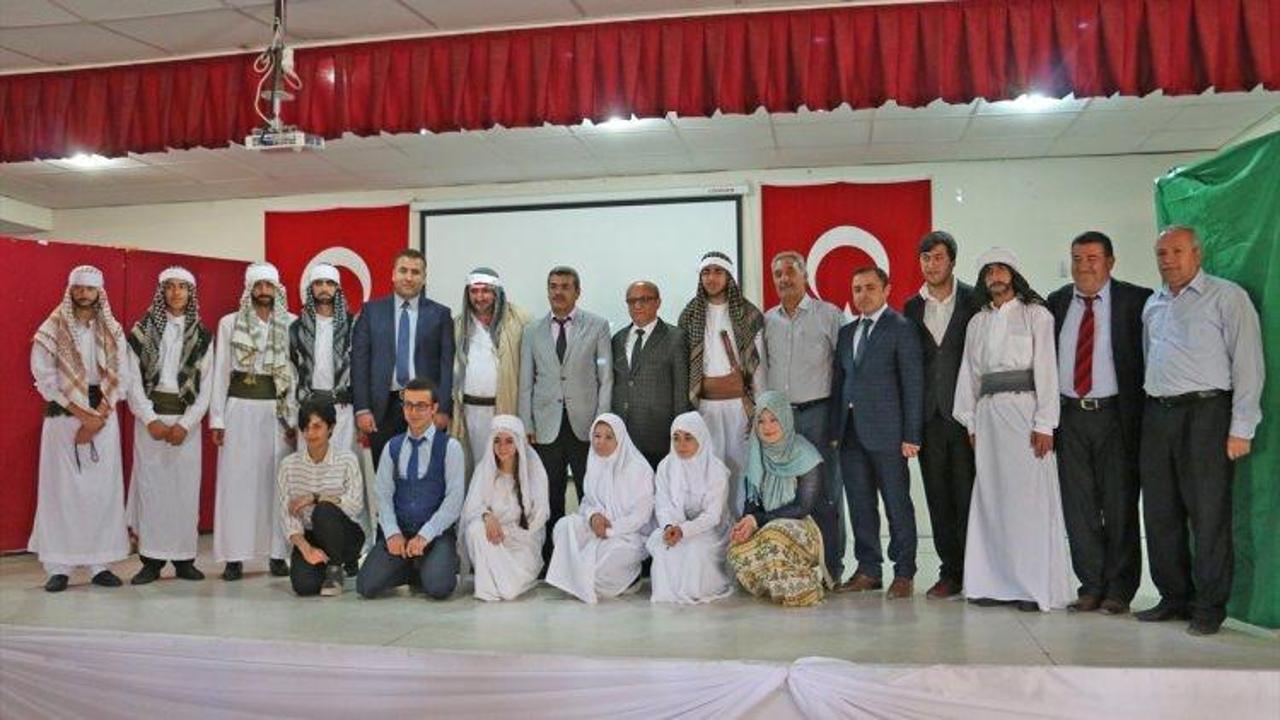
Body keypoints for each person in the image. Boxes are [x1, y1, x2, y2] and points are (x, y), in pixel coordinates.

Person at [1137, 225, 1264, 636]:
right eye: (1161, 253)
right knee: (1160, 512)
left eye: (1176, 251)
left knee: (1208, 514)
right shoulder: (1153, 304)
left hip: (1206, 414)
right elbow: (1149, 358)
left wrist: (1241, 427)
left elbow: (1248, 364)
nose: (1168, 260)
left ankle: (1209, 606)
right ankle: (1174, 597)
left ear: (1197, 254)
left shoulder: (1227, 297)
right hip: (1158, 414)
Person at [953, 248, 1073, 612]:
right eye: (989, 271)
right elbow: (969, 373)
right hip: (988, 416)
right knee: (992, 499)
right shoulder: (977, 322)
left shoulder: (1037, 315)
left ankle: (1031, 587)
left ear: (1014, 274)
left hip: (1026, 414)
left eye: (1001, 269)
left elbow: (1047, 369)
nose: (995, 276)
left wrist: (1045, 423)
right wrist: (970, 421)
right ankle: (992, 583)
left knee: (1027, 502)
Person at [1046, 231, 1151, 615]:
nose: (1084, 266)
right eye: (1077, 259)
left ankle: (1119, 589)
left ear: (1110, 262)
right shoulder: (1057, 302)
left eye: (1092, 258)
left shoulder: (1137, 301)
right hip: (1070, 418)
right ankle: (1090, 585)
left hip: (1116, 418)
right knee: (1079, 508)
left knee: (1120, 505)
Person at [29, 265, 130, 592]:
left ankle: (101, 565)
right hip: (64, 414)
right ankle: (59, 567)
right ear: (70, 290)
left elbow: (122, 377)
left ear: (100, 293)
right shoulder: (51, 328)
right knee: (62, 492)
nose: (84, 294)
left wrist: (98, 416)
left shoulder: (113, 329)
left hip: (103, 413)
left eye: (90, 289)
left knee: (102, 491)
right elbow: (44, 379)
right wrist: (82, 415)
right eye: (79, 288)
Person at [830, 266, 923, 598]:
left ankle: (904, 572)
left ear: (886, 290)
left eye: (870, 287)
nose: (863, 294)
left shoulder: (901, 328)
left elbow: (913, 385)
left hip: (890, 435)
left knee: (897, 504)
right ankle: (868, 570)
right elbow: (840, 384)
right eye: (857, 289)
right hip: (850, 433)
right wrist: (835, 430)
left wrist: (912, 435)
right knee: (860, 504)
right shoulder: (846, 333)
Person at [124, 266, 214, 585]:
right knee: (152, 492)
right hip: (150, 422)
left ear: (191, 294)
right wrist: (150, 419)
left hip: (186, 425)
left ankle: (184, 559)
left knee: (184, 493)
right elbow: (132, 380)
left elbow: (207, 387)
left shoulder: (202, 336)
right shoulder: (142, 331)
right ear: (161, 292)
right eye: (170, 287)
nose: (176, 293)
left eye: (182, 287)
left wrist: (186, 424)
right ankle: (150, 561)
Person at [518, 266, 613, 563]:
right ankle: (553, 559)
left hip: (585, 426)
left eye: (565, 287)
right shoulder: (532, 331)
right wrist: (526, 423)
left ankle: (590, 556)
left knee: (590, 493)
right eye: (553, 286)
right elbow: (525, 382)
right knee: (549, 496)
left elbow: (606, 378)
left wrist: (602, 424)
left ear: (577, 291)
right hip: (545, 427)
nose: (558, 292)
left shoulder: (597, 326)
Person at [210, 262, 297, 581]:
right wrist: (217, 419)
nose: (263, 291)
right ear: (249, 290)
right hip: (239, 410)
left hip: (276, 413)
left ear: (277, 289)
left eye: (268, 286)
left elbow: (294, 374)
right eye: (258, 286)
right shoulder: (229, 323)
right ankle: (234, 557)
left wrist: (292, 418)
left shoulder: (291, 323)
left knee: (276, 483)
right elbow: (221, 371)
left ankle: (277, 554)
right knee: (236, 484)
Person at [903, 230, 978, 599]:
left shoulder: (974, 300)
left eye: (937, 257)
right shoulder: (910, 308)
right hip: (929, 418)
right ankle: (950, 572)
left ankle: (976, 570)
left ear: (952, 261)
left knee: (969, 496)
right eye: (925, 258)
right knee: (937, 497)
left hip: (967, 418)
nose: (931, 265)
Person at [763, 251, 845, 580]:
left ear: (805, 276)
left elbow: (844, 369)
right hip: (780, 421)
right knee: (784, 492)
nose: (784, 279)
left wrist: (838, 419)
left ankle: (832, 569)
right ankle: (795, 565)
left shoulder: (829, 315)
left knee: (825, 492)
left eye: (790, 273)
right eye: (777, 274)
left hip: (818, 415)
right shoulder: (767, 320)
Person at [289, 262, 368, 564]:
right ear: (311, 289)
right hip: (309, 411)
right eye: (318, 283)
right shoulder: (297, 328)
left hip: (343, 411)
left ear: (337, 289)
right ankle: (311, 547)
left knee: (342, 477)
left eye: (329, 283)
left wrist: (361, 413)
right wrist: (293, 416)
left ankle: (348, 550)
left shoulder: (353, 325)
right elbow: (292, 374)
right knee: (308, 477)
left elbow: (360, 370)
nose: (324, 289)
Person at [357, 378, 464, 600]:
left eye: (421, 406)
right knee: (366, 585)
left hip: (435, 535)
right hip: (401, 532)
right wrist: (392, 533)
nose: (413, 412)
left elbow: (454, 501)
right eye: (408, 405)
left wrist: (425, 536)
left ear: (434, 408)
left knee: (439, 588)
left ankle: (433, 563)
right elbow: (383, 495)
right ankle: (413, 566)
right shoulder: (392, 447)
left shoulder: (450, 447)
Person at [726, 391, 836, 607]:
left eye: (774, 419)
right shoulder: (757, 453)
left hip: (809, 527)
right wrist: (746, 524)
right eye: (761, 421)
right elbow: (752, 503)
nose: (767, 427)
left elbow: (803, 507)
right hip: (770, 524)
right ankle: (779, 583)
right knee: (735, 550)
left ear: (785, 418)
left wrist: (758, 520)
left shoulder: (805, 453)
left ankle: (805, 587)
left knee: (774, 536)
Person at [678, 251, 766, 516]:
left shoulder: (748, 313)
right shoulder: (689, 315)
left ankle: (741, 527)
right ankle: (712, 527)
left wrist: (760, 409)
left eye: (718, 271)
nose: (711, 278)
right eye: (706, 272)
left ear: (729, 276)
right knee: (708, 469)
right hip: (704, 408)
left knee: (740, 468)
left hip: (739, 407)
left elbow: (758, 367)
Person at [351, 248, 455, 467]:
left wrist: (443, 409)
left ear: (424, 278)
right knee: (386, 473)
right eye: (403, 270)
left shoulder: (441, 314)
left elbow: (447, 366)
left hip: (426, 407)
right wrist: (362, 408)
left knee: (424, 472)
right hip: (382, 408)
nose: (409, 277)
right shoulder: (371, 312)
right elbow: (359, 364)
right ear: (393, 274)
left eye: (415, 272)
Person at [546, 414, 655, 603]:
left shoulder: (638, 468)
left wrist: (611, 530)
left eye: (608, 437)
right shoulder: (594, 461)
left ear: (620, 439)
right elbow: (587, 501)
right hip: (597, 529)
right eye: (597, 436)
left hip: (627, 536)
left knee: (605, 559)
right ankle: (579, 579)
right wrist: (593, 516)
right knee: (563, 527)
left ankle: (629, 580)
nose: (600, 442)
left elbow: (642, 516)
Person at [276, 400, 365, 597]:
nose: (311, 433)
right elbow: (287, 514)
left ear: (330, 427)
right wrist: (306, 549)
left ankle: (336, 567)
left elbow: (355, 505)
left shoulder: (347, 460)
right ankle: (326, 564)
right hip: (311, 535)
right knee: (304, 586)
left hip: (345, 533)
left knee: (323, 510)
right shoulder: (288, 465)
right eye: (306, 428)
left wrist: (315, 498)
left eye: (317, 427)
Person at [646, 412, 733, 604]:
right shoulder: (666, 466)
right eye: (676, 438)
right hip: (675, 526)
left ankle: (695, 589)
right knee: (664, 546)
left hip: (710, 530)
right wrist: (670, 527)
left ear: (700, 438)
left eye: (688, 438)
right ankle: (671, 592)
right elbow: (662, 504)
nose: (681, 444)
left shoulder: (715, 470)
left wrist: (684, 530)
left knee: (695, 549)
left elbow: (713, 516)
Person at [461, 415, 550, 601]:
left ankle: (499, 583)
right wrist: (486, 516)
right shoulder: (484, 470)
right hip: (493, 540)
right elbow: (471, 509)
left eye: (509, 441)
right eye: (497, 441)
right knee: (475, 529)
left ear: (518, 443)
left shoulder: (533, 470)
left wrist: (513, 534)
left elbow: (540, 515)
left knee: (510, 589)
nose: (502, 447)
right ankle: (493, 586)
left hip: (522, 542)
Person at [450, 267, 529, 471]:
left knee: (504, 469)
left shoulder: (519, 321)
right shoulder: (458, 325)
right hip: (468, 413)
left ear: (496, 293)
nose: (479, 297)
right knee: (472, 469)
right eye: (474, 291)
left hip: (504, 409)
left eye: (485, 291)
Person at [611, 280, 691, 469]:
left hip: (659, 436)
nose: (637, 305)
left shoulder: (675, 338)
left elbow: (681, 392)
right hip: (623, 436)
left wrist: (681, 434)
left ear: (658, 302)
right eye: (632, 301)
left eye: (644, 299)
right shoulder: (618, 339)